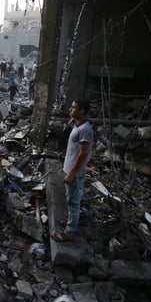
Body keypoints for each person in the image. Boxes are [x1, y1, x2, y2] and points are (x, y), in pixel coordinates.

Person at [52, 99, 94, 242]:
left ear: (82, 111)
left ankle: (69, 232)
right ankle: (70, 220)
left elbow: (83, 153)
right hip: (74, 170)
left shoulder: (84, 130)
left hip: (74, 173)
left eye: (74, 107)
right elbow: (80, 153)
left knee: (73, 202)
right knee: (71, 198)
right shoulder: (79, 126)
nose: (70, 109)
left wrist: (72, 173)